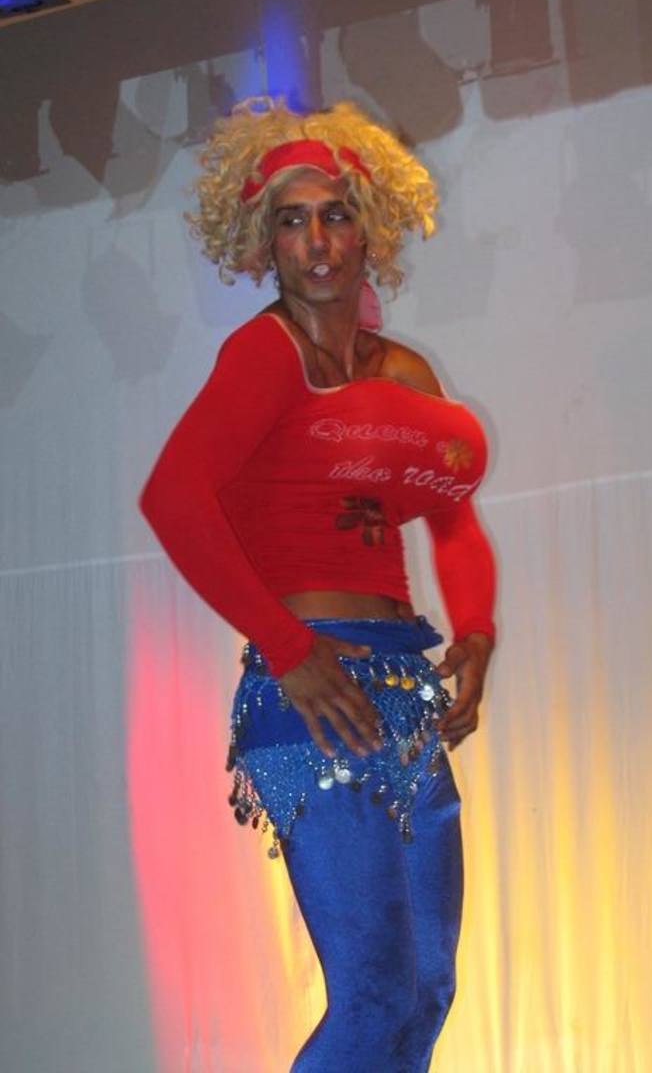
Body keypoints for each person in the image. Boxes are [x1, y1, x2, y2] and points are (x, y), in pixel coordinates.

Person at [139, 95, 497, 1073]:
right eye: (291, 221)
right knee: (375, 992)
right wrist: (289, 650)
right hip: (313, 691)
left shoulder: (403, 372)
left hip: (403, 687)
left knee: (425, 990)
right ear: (266, 244)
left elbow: (453, 514)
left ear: (366, 227)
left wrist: (475, 630)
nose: (316, 241)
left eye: (334, 214)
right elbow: (173, 499)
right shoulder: (266, 355)